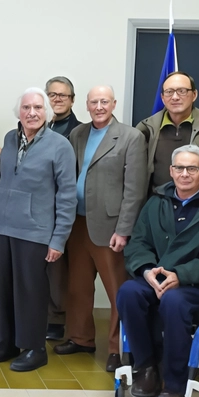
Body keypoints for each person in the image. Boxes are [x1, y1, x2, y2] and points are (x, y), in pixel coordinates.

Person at [116, 145, 199, 397]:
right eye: (180, 168)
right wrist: (147, 270)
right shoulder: (156, 203)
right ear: (171, 171)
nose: (185, 174)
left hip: (198, 283)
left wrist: (181, 275)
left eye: (192, 168)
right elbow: (139, 243)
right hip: (158, 277)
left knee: (174, 301)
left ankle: (175, 384)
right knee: (128, 292)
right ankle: (146, 368)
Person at [0, 87, 76, 372]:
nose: (31, 113)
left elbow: (68, 195)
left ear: (46, 112)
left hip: (34, 232)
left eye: (37, 107)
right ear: (18, 113)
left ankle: (34, 348)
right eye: (26, 108)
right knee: (0, 289)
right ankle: (7, 341)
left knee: (30, 292)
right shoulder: (10, 139)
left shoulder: (60, 146)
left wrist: (58, 240)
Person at [55, 85, 146, 373]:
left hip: (110, 227)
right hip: (78, 222)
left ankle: (118, 349)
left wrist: (124, 229)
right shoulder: (78, 133)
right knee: (77, 287)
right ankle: (80, 338)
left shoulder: (131, 137)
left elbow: (134, 189)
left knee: (118, 292)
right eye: (94, 102)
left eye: (104, 101)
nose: (99, 107)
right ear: (86, 104)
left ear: (114, 103)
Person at [136, 71, 199, 198]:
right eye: (169, 92)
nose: (175, 97)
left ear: (194, 95)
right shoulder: (146, 129)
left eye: (182, 91)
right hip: (158, 209)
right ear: (162, 98)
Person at [43, 76, 82, 340]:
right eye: (52, 95)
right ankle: (40, 315)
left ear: (72, 100)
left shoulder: (80, 131)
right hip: (36, 207)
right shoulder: (35, 124)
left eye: (63, 95)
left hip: (62, 208)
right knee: (38, 266)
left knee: (59, 268)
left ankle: (57, 319)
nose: (57, 100)